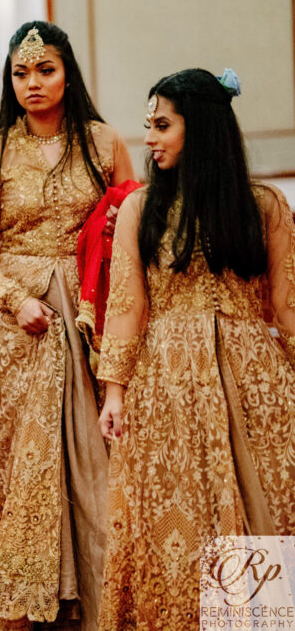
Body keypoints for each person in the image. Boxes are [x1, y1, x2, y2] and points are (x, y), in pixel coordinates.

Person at [96, 69, 295, 628]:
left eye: (162, 125)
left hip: (255, 383)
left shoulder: (264, 205)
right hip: (168, 384)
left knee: (261, 511)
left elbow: (286, 304)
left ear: (201, 128)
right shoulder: (141, 209)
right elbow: (126, 306)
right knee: (178, 517)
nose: (149, 138)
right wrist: (114, 392)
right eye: (147, 125)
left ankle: (257, 622)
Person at [0, 21, 136, 629]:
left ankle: (102, 597)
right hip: (21, 325)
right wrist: (14, 299)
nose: (33, 83)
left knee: (94, 449)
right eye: (20, 73)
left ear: (68, 72)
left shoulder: (105, 143)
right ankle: (26, 605)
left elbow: (129, 230)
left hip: (90, 314)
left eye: (46, 70)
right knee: (23, 456)